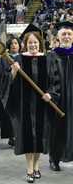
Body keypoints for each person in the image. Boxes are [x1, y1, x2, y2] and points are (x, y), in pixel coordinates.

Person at [2, 25, 60, 183]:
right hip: (24, 106)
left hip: (43, 106)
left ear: (40, 44)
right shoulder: (19, 59)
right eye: (30, 43)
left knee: (40, 137)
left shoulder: (48, 59)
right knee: (28, 137)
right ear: (25, 44)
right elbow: (6, 81)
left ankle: (36, 166)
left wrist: (51, 94)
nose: (33, 45)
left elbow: (55, 81)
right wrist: (13, 72)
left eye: (35, 43)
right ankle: (29, 168)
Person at [48, 21, 73, 171]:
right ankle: (54, 158)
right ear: (58, 37)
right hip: (58, 99)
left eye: (69, 34)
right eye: (63, 34)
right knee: (56, 129)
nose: (67, 36)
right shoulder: (52, 56)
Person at [0, 36, 21, 147]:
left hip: (20, 90)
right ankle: (11, 136)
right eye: (12, 43)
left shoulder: (23, 58)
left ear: (20, 45)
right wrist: (11, 72)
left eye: (16, 43)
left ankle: (19, 135)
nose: (14, 45)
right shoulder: (3, 59)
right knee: (9, 114)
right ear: (8, 46)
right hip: (7, 91)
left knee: (19, 114)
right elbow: (0, 75)